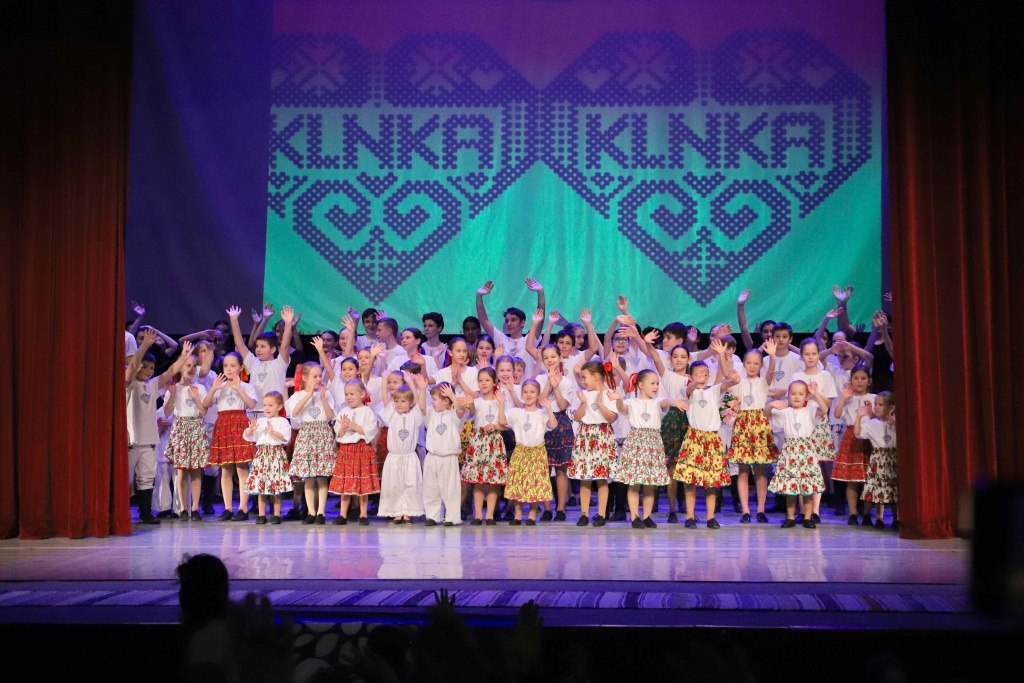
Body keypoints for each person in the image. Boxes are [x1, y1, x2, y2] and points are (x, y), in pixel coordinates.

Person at [125, 331, 192, 524]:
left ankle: (145, 513)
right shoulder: (129, 384)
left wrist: (183, 357)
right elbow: (132, 367)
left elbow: (170, 372)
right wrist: (145, 345)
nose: (148, 370)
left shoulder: (151, 385)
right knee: (126, 478)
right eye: (144, 366)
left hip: (149, 440)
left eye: (151, 367)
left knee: (146, 478)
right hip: (131, 440)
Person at [674, 340, 739, 529]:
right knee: (690, 480)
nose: (702, 376)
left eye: (705, 374)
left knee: (712, 482)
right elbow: (688, 389)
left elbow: (729, 380)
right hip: (694, 438)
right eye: (697, 374)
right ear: (691, 376)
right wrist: (696, 381)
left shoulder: (714, 391)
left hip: (712, 439)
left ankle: (710, 517)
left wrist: (724, 360)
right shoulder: (688, 392)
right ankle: (690, 516)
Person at [612, 369, 685, 528]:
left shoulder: (657, 402)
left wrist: (674, 402)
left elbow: (665, 402)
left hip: (653, 444)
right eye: (652, 383)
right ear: (641, 385)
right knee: (634, 482)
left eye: (657, 383)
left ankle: (647, 516)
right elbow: (622, 408)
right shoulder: (632, 402)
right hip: (636, 443)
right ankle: (634, 517)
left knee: (650, 483)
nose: (656, 386)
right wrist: (618, 400)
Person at [637, 327, 692, 523]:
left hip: (688, 422)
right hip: (670, 422)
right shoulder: (667, 375)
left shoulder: (693, 380)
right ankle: (671, 509)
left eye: (682, 357)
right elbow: (654, 356)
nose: (679, 360)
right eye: (675, 357)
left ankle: (688, 508)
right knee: (671, 467)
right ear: (670, 359)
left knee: (685, 467)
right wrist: (648, 342)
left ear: (688, 360)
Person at [766, 380, 831, 528]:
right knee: (791, 487)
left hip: (806, 451)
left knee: (807, 488)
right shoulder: (785, 412)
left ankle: (807, 517)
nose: (796, 397)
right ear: (788, 396)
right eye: (793, 394)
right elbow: (766, 414)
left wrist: (816, 394)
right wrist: (771, 405)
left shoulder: (810, 410)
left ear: (806, 397)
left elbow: (825, 410)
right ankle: (790, 517)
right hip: (790, 451)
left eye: (801, 394)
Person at [728, 340, 780, 523]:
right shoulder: (738, 382)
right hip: (742, 425)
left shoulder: (764, 382)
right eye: (748, 363)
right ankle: (745, 511)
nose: (752, 366)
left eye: (756, 363)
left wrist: (772, 356)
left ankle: (760, 509)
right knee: (743, 470)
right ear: (743, 364)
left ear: (761, 366)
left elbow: (771, 371)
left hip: (760, 425)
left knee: (760, 469)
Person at [202, 352, 258, 521]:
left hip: (239, 425)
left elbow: (251, 404)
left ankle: (243, 508)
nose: (229, 369)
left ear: (241, 368)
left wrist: (238, 388)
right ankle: (227, 508)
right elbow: (205, 404)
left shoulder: (246, 386)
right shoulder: (220, 386)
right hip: (223, 426)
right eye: (226, 366)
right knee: (225, 469)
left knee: (242, 468)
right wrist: (214, 388)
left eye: (233, 366)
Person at [284, 357, 336, 525]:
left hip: (323, 434)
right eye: (315, 376)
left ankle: (321, 512)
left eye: (320, 376)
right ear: (305, 378)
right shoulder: (298, 395)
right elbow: (295, 413)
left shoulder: (326, 394)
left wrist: (322, 398)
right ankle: (311, 512)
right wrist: (308, 394)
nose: (318, 379)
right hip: (307, 435)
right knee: (308, 477)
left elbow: (330, 415)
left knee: (321, 477)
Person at [792, 337, 839, 523]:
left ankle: (815, 511)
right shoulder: (797, 376)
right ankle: (803, 509)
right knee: (800, 466)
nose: (810, 357)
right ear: (801, 356)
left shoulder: (825, 375)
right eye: (807, 354)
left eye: (813, 354)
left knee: (816, 467)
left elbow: (828, 403)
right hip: (801, 424)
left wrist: (815, 394)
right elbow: (793, 400)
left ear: (819, 354)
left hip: (819, 424)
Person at [568, 360, 619, 527]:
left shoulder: (610, 394)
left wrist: (600, 404)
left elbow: (612, 417)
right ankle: (584, 514)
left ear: (596, 376)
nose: (583, 381)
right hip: (586, 436)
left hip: (602, 436)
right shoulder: (584, 394)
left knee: (602, 478)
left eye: (585, 377)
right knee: (585, 478)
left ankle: (601, 514)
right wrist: (584, 403)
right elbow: (576, 417)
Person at [164, 349, 211, 519]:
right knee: (182, 470)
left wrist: (196, 397)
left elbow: (204, 411)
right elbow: (168, 412)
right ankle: (183, 508)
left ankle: (195, 507)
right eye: (188, 365)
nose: (191, 369)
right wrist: (172, 394)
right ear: (180, 367)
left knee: (196, 470)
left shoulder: (199, 387)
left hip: (196, 426)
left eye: (194, 365)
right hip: (181, 427)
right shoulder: (174, 388)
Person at [503, 379, 557, 525]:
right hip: (521, 452)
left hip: (537, 453)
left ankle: (532, 515)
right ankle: (518, 514)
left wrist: (549, 408)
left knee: (535, 484)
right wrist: (501, 403)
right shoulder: (517, 412)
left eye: (532, 392)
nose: (528, 395)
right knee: (518, 483)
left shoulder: (541, 413)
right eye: (525, 392)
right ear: (521, 394)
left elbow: (553, 425)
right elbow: (502, 420)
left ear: (538, 395)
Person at [330, 379, 380, 525]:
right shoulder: (343, 412)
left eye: (352, 394)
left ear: (362, 394)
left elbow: (370, 430)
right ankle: (342, 515)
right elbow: (338, 433)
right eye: (346, 394)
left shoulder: (367, 412)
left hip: (361, 449)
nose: (349, 397)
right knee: (346, 483)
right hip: (346, 451)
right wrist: (343, 428)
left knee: (362, 484)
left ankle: (363, 515)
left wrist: (353, 426)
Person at [535, 343, 576, 521]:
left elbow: (563, 405)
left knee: (560, 469)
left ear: (560, 358)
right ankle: (546, 508)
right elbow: (538, 401)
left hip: (561, 423)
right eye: (546, 358)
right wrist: (548, 384)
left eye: (553, 357)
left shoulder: (567, 382)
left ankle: (560, 508)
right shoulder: (539, 379)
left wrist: (556, 386)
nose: (550, 360)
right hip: (542, 423)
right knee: (543, 469)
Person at [461, 368, 508, 525]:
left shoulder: (500, 400)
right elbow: (472, 413)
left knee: (493, 481)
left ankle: (490, 515)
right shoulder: (477, 402)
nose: (483, 383)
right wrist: (470, 404)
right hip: (479, 442)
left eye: (487, 380)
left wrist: (500, 408)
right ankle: (478, 515)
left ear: (494, 382)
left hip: (494, 442)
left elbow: (505, 424)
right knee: (479, 481)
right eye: (480, 380)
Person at [377, 375, 426, 524]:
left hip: (409, 457)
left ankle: (408, 513)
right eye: (397, 401)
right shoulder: (392, 414)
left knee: (410, 485)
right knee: (394, 485)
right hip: (394, 457)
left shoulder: (414, 415)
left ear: (410, 403)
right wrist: (384, 380)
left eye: (403, 401)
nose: (399, 404)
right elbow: (385, 399)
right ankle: (396, 513)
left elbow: (419, 403)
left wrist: (412, 383)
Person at [832, 364, 876, 525]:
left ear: (869, 381)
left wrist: (871, 411)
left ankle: (866, 514)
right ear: (851, 381)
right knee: (852, 478)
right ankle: (852, 513)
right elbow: (837, 414)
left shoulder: (873, 398)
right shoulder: (848, 398)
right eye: (856, 378)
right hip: (851, 437)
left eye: (863, 378)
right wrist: (843, 398)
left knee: (868, 478)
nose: (859, 381)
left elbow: (879, 418)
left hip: (870, 437)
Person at [419, 382, 468, 526]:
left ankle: (452, 517)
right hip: (432, 457)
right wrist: (422, 389)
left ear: (446, 401)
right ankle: (433, 516)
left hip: (449, 458)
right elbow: (422, 407)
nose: (432, 402)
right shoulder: (431, 415)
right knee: (431, 488)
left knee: (450, 489)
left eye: (435, 399)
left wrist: (452, 395)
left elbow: (460, 408)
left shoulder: (454, 416)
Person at [475, 278, 546, 377]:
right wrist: (479, 296)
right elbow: (484, 321)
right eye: (507, 321)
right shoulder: (502, 340)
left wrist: (541, 293)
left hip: (527, 386)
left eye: (513, 320)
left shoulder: (529, 340)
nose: (509, 323)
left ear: (522, 322)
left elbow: (540, 318)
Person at [243, 392, 293, 524]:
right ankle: (261, 514)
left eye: (270, 405)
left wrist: (274, 433)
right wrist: (251, 430)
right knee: (262, 486)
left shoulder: (283, 421)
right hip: (262, 455)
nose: (267, 408)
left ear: (279, 406)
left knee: (276, 487)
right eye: (265, 405)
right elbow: (248, 436)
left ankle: (276, 514)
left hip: (276, 455)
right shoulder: (260, 421)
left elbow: (286, 438)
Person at [855, 391, 898, 530]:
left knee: (893, 488)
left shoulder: (896, 423)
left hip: (893, 459)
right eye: (876, 404)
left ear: (891, 408)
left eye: (880, 404)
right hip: (878, 459)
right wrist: (859, 416)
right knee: (879, 488)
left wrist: (895, 424)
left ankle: (897, 518)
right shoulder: (872, 423)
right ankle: (879, 518)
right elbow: (858, 433)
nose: (877, 407)